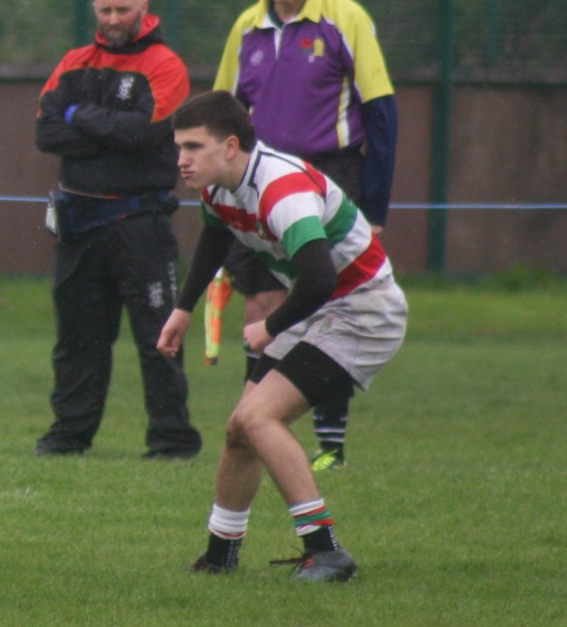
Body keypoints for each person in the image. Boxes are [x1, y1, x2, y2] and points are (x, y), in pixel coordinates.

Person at [158, 91, 406, 583]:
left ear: (231, 146)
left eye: (193, 147)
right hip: (321, 307)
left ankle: (326, 552)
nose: (182, 159)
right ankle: (221, 555)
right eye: (179, 147)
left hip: (364, 312)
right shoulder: (220, 185)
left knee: (259, 417)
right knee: (240, 427)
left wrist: (270, 326)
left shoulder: (282, 188)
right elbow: (216, 235)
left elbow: (320, 279)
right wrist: (183, 309)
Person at [213, 0, 398, 471]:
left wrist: (375, 209)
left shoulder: (345, 18)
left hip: (328, 179)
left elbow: (381, 114)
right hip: (258, 185)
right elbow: (221, 112)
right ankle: (253, 425)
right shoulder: (246, 27)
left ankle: (330, 444)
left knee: (331, 304)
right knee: (263, 306)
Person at [32, 0, 201, 460]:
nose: (113, 19)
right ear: (94, 9)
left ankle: (172, 440)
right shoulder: (74, 62)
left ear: (143, 8)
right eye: (104, 10)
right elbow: (45, 133)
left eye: (122, 10)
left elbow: (144, 133)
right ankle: (69, 436)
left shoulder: (165, 66)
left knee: (158, 335)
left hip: (139, 221)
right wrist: (108, 132)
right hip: (77, 223)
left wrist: (78, 116)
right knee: (77, 337)